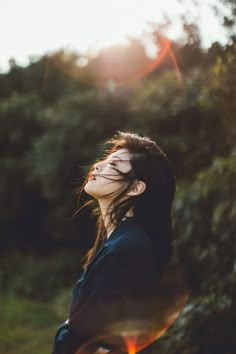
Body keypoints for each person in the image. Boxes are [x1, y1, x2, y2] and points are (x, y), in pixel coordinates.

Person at [52, 131, 178, 354]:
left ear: (135, 187)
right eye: (105, 160)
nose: (98, 166)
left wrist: (67, 330)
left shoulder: (127, 249)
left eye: (114, 164)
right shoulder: (118, 242)